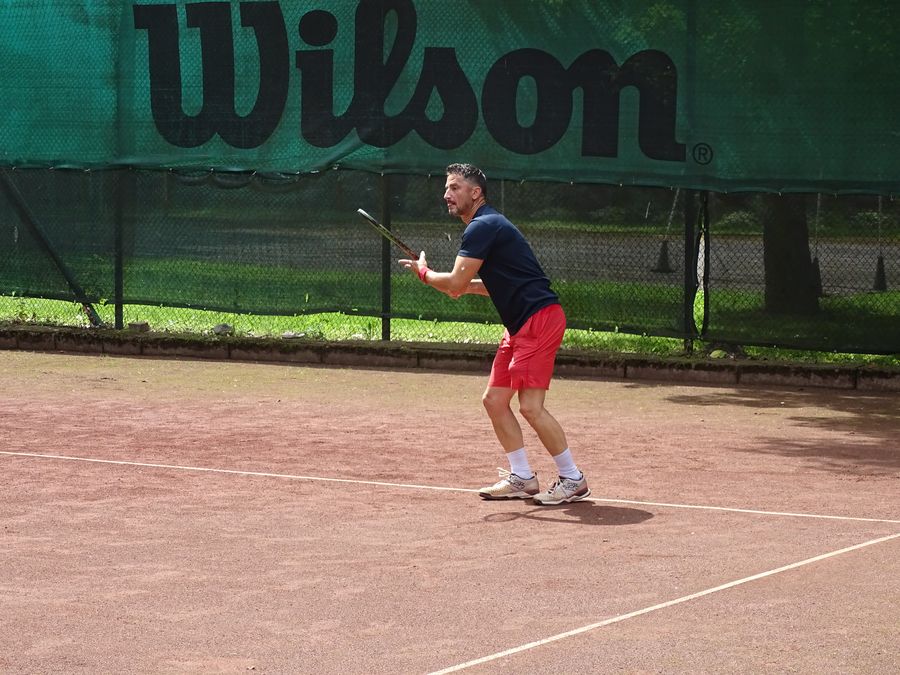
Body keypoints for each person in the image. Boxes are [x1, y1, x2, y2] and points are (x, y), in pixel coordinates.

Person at [399, 163, 590, 505]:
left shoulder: (482, 226)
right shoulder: (486, 226)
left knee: (530, 407)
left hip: (538, 320)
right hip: (518, 325)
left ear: (476, 193)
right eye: (446, 188)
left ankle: (573, 478)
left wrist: (426, 274)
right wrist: (458, 286)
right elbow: (493, 284)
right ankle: (522, 478)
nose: (446, 195)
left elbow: (454, 283)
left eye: (455, 188)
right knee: (495, 400)